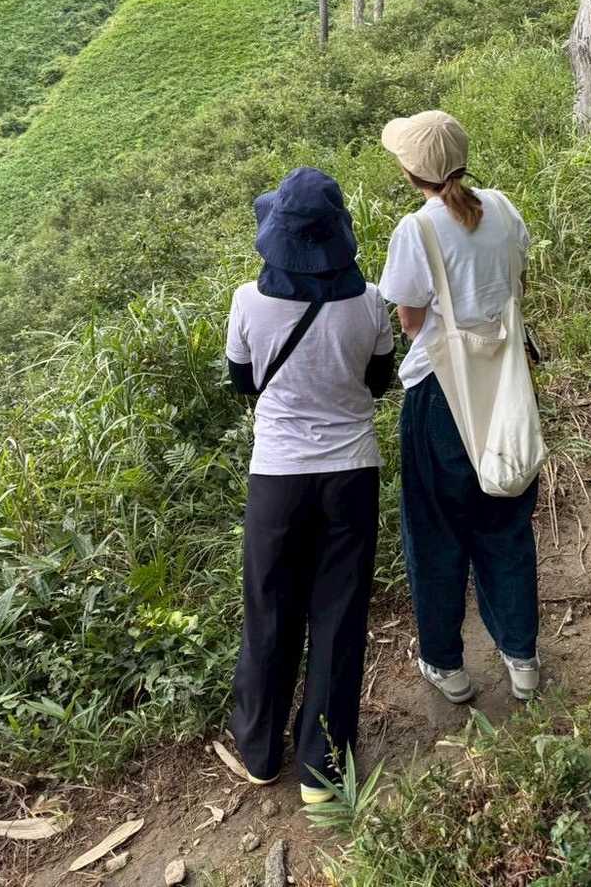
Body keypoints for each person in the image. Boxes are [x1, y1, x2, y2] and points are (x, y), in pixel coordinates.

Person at [225, 167, 395, 803]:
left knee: (269, 608)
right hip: (351, 474)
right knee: (339, 615)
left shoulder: (249, 301)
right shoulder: (369, 300)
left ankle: (260, 752)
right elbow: (379, 381)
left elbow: (244, 383)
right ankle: (321, 770)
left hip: (277, 478)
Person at [378, 110, 541, 704]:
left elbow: (410, 321)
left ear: (410, 171)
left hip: (440, 398)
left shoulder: (416, 230)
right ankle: (521, 656)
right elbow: (517, 283)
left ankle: (447, 664)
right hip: (506, 383)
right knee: (506, 520)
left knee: (437, 532)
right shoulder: (501, 207)